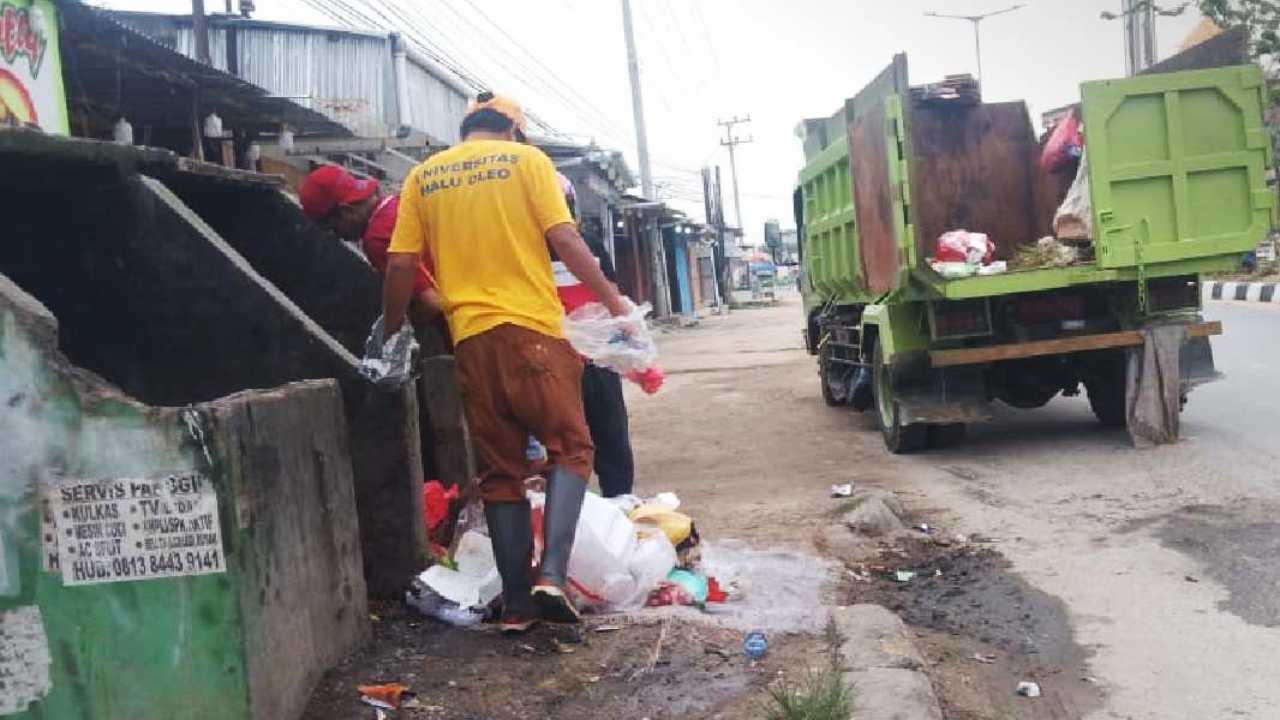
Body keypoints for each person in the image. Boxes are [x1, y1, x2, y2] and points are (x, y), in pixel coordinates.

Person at [382, 92, 627, 632]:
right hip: (533, 334)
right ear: (513, 130)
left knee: (500, 473)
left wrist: (392, 329)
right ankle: (552, 576)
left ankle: (517, 607)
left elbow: (400, 263)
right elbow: (564, 237)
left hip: (470, 341)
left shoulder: (423, 176)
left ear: (467, 128)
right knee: (571, 449)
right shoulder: (528, 161)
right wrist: (615, 304)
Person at [552, 173, 635, 498]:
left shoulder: (587, 243)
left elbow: (611, 292)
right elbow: (612, 293)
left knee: (581, 445)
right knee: (605, 442)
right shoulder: (584, 242)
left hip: (581, 358)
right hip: (574, 359)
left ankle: (584, 513)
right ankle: (609, 506)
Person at [299, 165, 443, 323]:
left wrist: (393, 329)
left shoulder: (376, 238)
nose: (339, 237)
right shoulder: (399, 202)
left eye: (334, 229)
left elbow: (433, 304)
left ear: (346, 211)